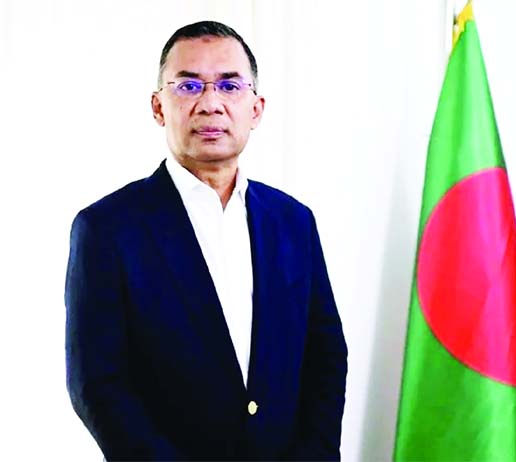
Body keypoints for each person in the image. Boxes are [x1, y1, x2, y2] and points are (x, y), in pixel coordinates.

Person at [65, 20, 348, 461]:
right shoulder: (107, 228)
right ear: (158, 107)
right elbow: (98, 385)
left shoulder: (293, 221)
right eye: (189, 86)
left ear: (256, 108)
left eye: (230, 86)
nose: (211, 104)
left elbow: (325, 356)